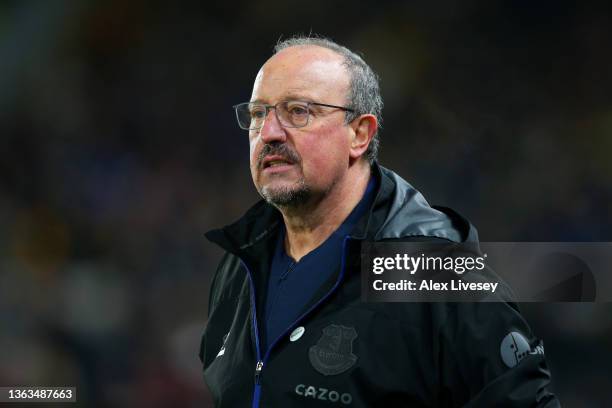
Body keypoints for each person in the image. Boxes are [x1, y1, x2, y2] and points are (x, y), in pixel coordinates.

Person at [199, 36, 559, 407]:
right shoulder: (241, 262)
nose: (269, 133)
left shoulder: (429, 271)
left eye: (297, 111)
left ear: (359, 134)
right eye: (258, 114)